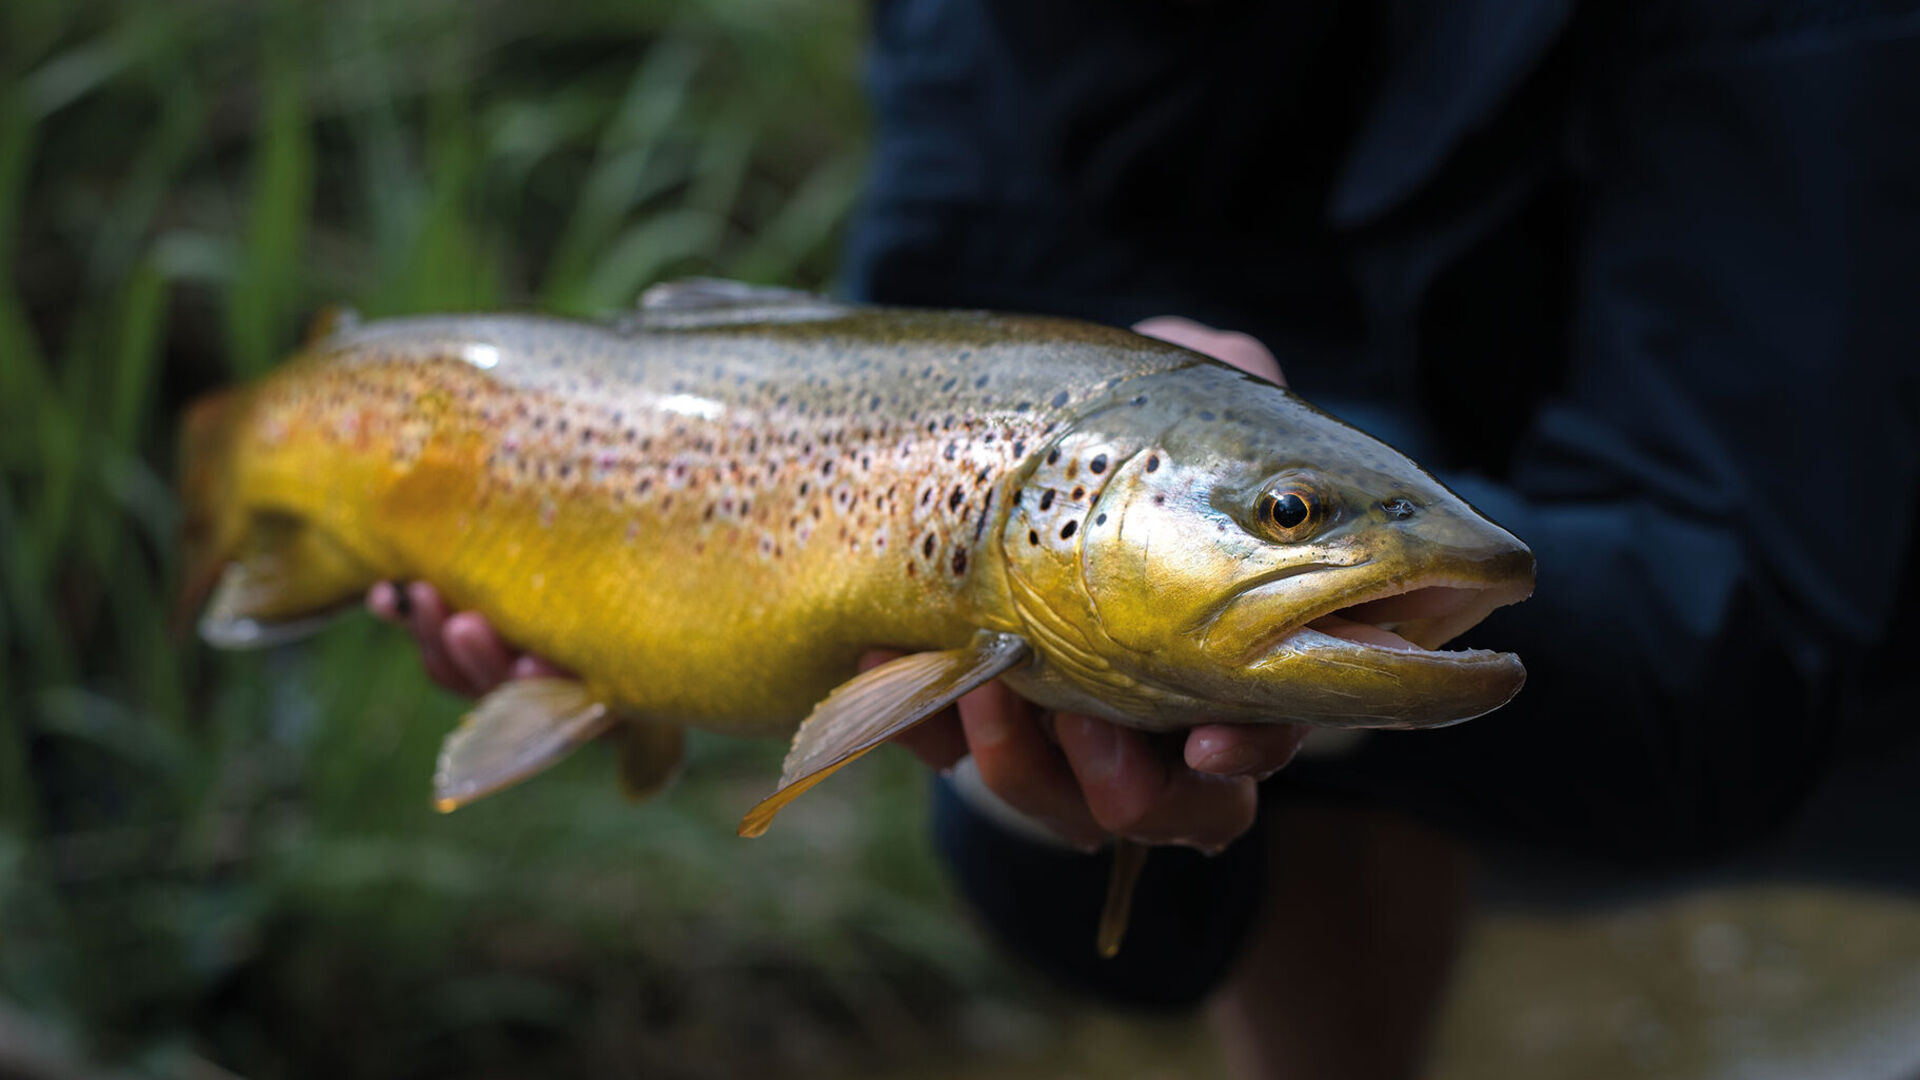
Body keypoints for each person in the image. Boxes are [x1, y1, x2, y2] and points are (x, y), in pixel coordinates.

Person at [372, 2, 1920, 1076]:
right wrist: (1057, 777)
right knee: (1251, 657)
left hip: (1853, 599)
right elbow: (1108, 908)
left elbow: (1746, 626)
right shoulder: (994, 32)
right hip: (1364, 576)